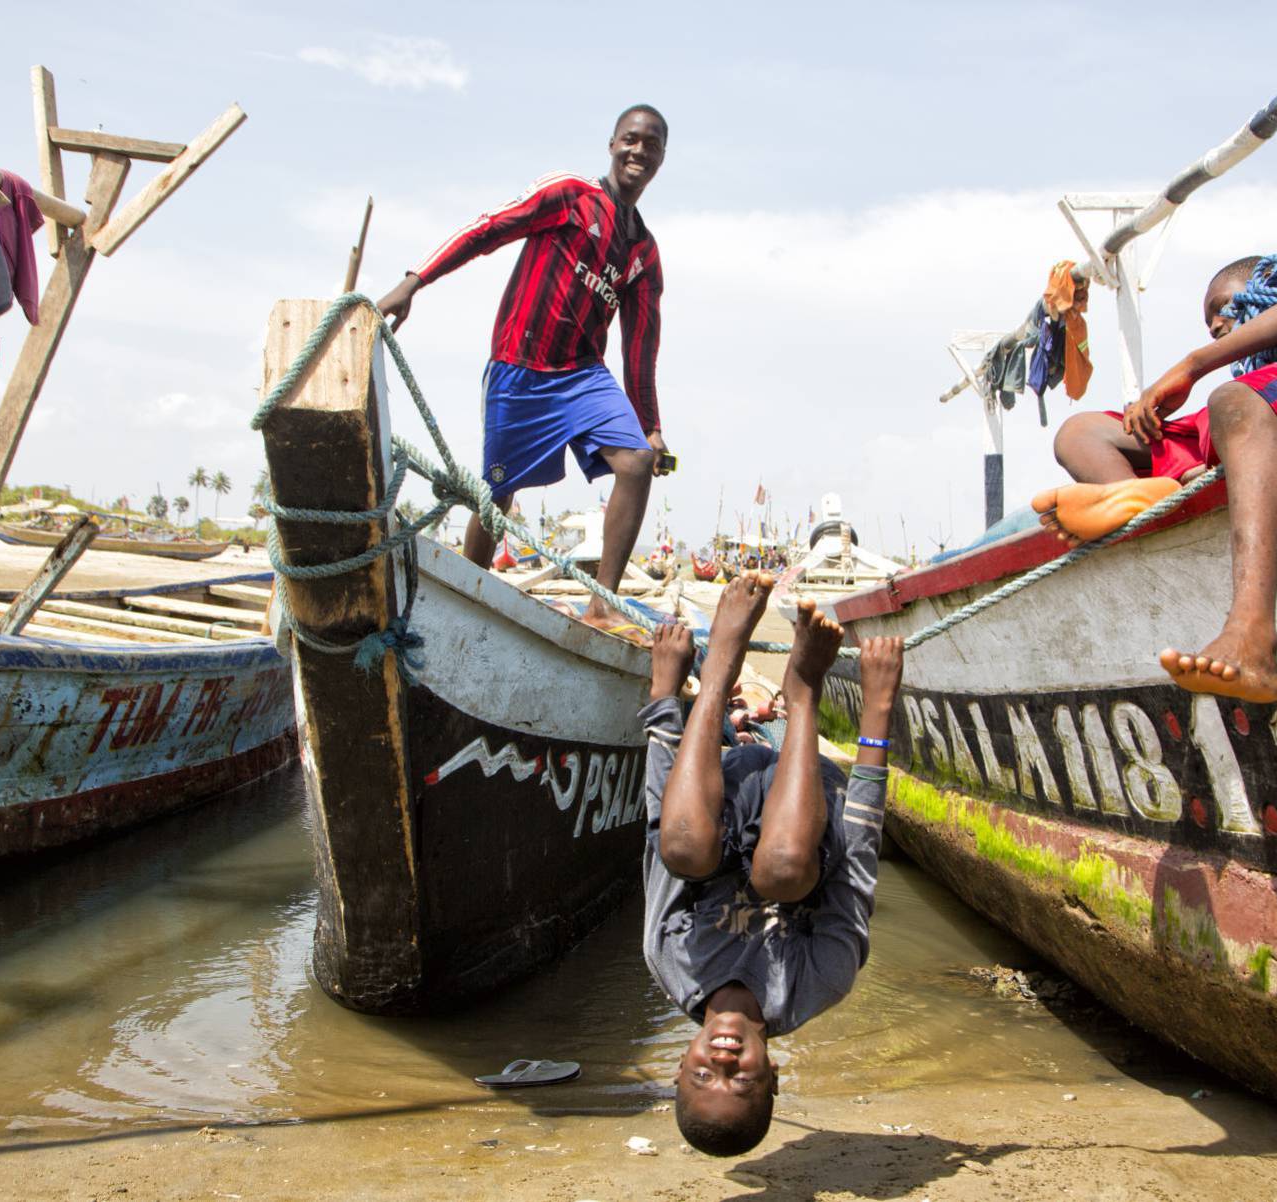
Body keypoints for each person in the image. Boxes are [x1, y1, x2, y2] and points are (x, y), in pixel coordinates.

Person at [376, 105, 673, 634]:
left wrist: (650, 424)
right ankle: (469, 591)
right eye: (630, 140)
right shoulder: (569, 196)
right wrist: (414, 280)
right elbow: (486, 229)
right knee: (497, 494)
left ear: (661, 160)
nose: (639, 152)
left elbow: (640, 350)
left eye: (651, 146)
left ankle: (601, 603)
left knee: (635, 462)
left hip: (582, 374)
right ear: (611, 144)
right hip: (520, 365)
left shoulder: (643, 255)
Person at [639, 572, 903, 1156]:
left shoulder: (670, 959)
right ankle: (802, 688)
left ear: (681, 1062)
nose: (723, 1061)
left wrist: (664, 694)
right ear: (774, 1075)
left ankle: (718, 671)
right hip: (805, 812)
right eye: (744, 1079)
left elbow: (662, 825)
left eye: (703, 1074)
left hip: (723, 797)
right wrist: (877, 710)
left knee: (682, 851)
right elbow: (858, 854)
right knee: (781, 871)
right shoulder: (819, 982)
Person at [1032, 255, 1277, 704]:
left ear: (1274, 287)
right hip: (1232, 416)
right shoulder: (1238, 391)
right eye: (1207, 319)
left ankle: (1252, 635)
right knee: (1079, 432)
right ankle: (1143, 497)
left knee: (1231, 398)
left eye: (1221, 306)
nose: (1214, 323)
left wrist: (1193, 365)